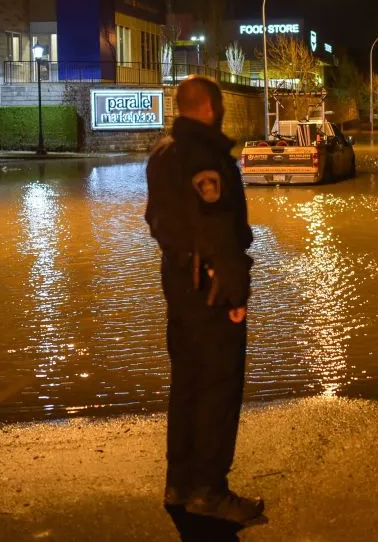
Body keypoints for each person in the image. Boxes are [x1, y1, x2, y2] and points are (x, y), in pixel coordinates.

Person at [144, 76, 264, 525]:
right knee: (219, 387)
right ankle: (210, 490)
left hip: (178, 283)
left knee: (188, 383)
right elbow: (219, 230)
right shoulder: (207, 158)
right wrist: (234, 292)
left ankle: (179, 482)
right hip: (212, 289)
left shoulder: (161, 153)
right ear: (212, 108)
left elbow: (155, 220)